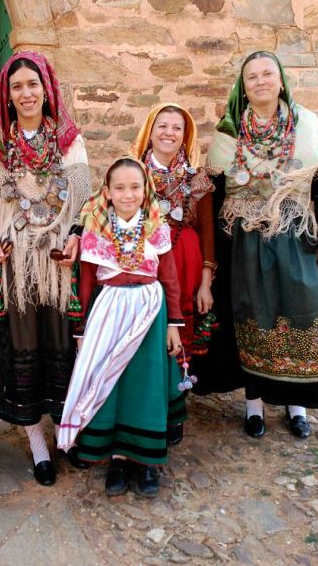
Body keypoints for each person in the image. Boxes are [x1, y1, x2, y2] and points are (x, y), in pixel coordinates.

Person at [0, 52, 92, 486]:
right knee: (23, 348)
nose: (26, 93)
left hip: (60, 265)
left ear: (46, 90)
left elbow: (83, 202)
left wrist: (76, 237)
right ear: (7, 97)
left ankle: (70, 434)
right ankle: (36, 443)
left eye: (33, 84)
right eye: (17, 87)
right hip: (16, 269)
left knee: (65, 349)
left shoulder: (70, 140)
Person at [207, 51, 318, 439]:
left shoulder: (306, 125)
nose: (260, 81)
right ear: (243, 86)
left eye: (267, 74)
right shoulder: (229, 132)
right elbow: (216, 198)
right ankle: (253, 406)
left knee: (297, 311)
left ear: (281, 80)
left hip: (294, 233)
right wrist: (215, 257)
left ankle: (295, 404)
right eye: (252, 77)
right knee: (252, 317)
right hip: (244, 240)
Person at [57, 157, 186, 498]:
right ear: (108, 192)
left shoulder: (157, 226)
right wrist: (81, 329)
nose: (128, 194)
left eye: (135, 187)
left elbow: (169, 277)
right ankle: (116, 457)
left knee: (146, 384)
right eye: (120, 188)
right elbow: (85, 282)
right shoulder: (95, 229)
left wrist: (174, 323)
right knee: (110, 381)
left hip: (149, 311)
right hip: (109, 310)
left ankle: (145, 461)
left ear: (145, 191)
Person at [130, 103, 216, 445]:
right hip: (144, 267)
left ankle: (174, 407)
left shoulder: (197, 180)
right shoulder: (131, 174)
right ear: (149, 132)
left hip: (186, 266)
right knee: (150, 333)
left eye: (176, 128)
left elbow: (208, 233)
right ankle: (146, 403)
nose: (168, 132)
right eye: (162, 125)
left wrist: (206, 282)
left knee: (179, 334)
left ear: (186, 136)